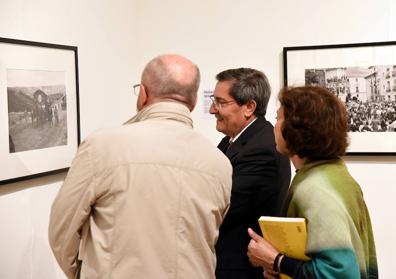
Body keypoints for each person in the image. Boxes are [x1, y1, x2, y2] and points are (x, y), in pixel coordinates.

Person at [48, 54, 233, 279]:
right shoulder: (220, 162)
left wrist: (84, 273)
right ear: (193, 103)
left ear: (143, 94)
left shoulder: (101, 147)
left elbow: (62, 230)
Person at [247, 86, 378, 279]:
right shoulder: (336, 174)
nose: (274, 126)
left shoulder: (315, 189)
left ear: (297, 128)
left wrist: (276, 261)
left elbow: (339, 273)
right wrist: (281, 269)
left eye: (278, 118)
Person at [209, 68, 291, 279]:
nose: (212, 109)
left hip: (241, 269)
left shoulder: (261, 148)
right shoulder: (232, 140)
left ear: (249, 107)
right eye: (213, 100)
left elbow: (222, 208)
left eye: (220, 102)